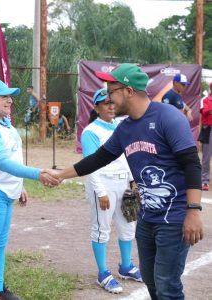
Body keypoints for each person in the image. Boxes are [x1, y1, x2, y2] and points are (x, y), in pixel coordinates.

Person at [56, 63, 203, 299]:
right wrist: (60, 175)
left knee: (167, 285)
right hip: (147, 218)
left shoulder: (168, 117)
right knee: (151, 281)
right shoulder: (125, 129)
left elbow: (191, 163)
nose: (108, 97)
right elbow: (98, 158)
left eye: (111, 90)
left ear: (129, 91)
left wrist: (193, 211)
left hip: (174, 218)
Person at [0, 79, 59, 300]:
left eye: (11, 96)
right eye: (4, 96)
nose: (10, 100)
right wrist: (37, 174)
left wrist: (20, 186)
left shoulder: (3, 123)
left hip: (4, 191)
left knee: (0, 246)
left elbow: (12, 157)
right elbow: (2, 162)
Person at [81, 87, 142, 294]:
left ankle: (126, 266)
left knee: (128, 226)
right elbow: (90, 164)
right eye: (105, 103)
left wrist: (133, 180)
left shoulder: (120, 126)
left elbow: (127, 156)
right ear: (96, 107)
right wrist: (100, 192)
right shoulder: (91, 131)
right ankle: (103, 273)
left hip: (124, 183)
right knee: (102, 229)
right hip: (104, 184)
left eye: (112, 102)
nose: (110, 106)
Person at [198, 82, 212, 191]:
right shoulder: (205, 99)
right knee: (206, 157)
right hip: (208, 129)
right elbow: (205, 111)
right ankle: (205, 180)